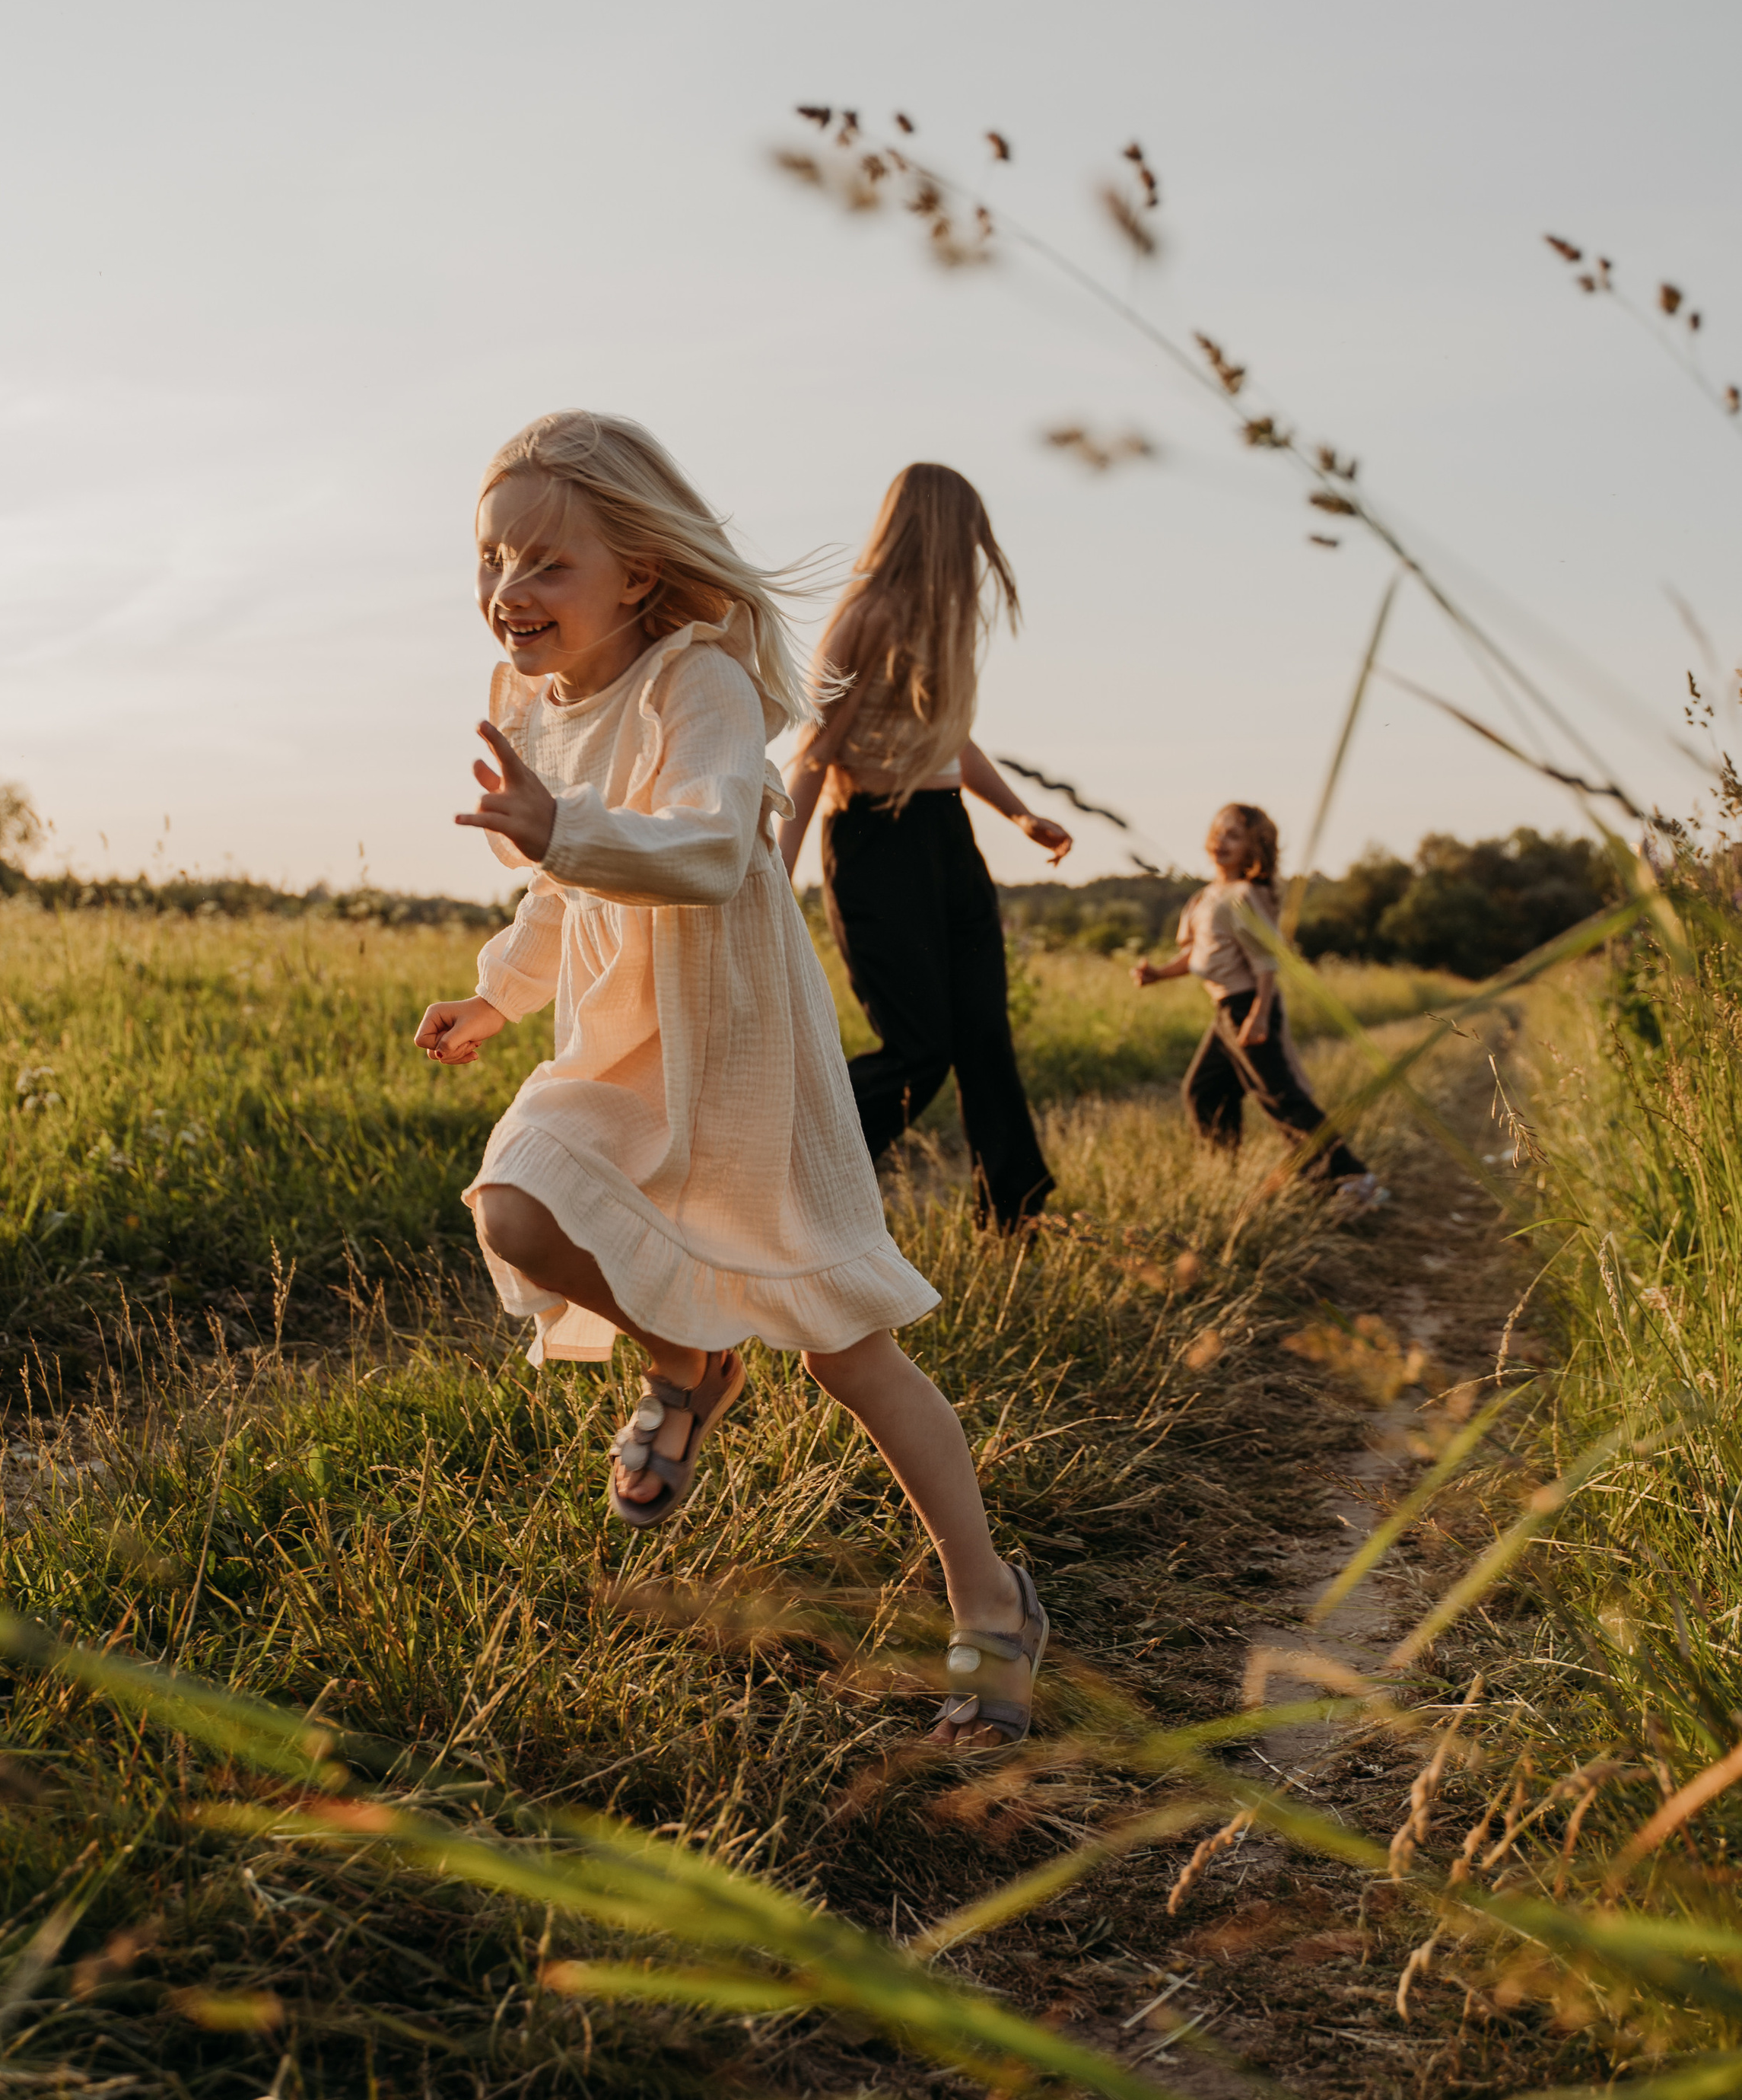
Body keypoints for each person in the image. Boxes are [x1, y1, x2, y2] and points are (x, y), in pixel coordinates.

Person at [413, 411, 1047, 1745]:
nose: (509, 588)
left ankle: (990, 1599)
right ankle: (687, 1361)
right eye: (492, 559)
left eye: (546, 562)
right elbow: (558, 888)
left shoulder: (693, 680)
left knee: (845, 1352)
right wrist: (498, 993)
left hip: (738, 1039)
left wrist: (564, 829)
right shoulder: (529, 700)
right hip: (615, 1035)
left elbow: (705, 851)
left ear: (638, 571)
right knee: (512, 1209)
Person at [777, 463, 1069, 1233]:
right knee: (918, 1048)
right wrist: (775, 870)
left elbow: (953, 742)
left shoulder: (943, 623)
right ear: (934, 531)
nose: (975, 551)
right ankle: (788, 1177)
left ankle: (1016, 1213)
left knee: (984, 1034)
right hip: (877, 840)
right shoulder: (866, 615)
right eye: (967, 534)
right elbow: (816, 752)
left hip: (948, 835)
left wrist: (1021, 816)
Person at [1133, 803, 1388, 1211]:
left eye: (1234, 836)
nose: (1222, 841)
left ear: (1255, 850)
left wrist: (1259, 1014)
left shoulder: (1244, 896)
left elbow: (1267, 962)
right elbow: (1198, 954)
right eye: (1219, 832)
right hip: (1225, 1013)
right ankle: (1223, 1171)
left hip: (1247, 1006)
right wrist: (1158, 974)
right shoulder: (1207, 896)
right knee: (1205, 1092)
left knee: (1280, 1097)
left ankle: (1352, 1179)